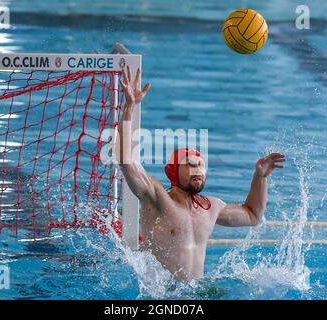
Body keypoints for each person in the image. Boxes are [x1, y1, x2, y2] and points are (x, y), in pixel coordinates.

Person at [116, 67, 286, 280]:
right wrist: (129, 107)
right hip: (163, 296)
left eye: (200, 164)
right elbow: (126, 161)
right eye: (188, 164)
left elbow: (253, 215)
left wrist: (260, 177)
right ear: (172, 172)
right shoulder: (156, 198)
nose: (197, 168)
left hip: (198, 293)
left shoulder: (211, 207)